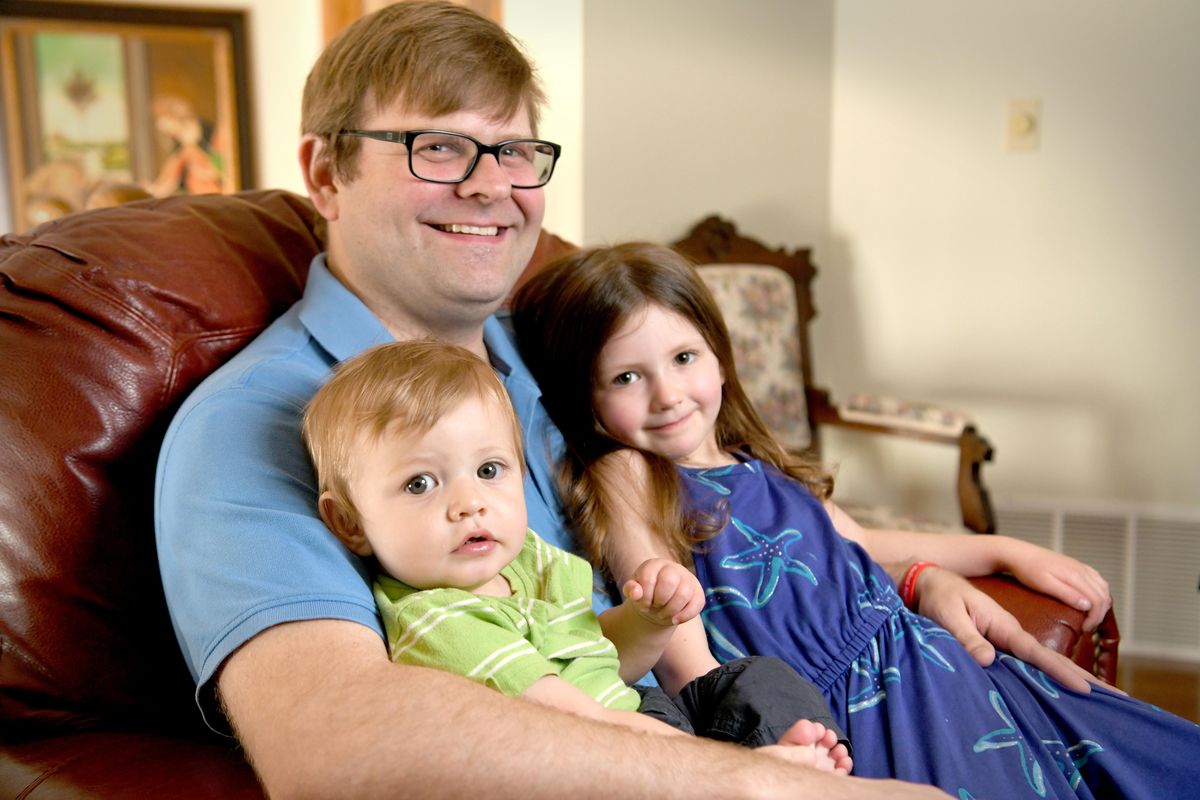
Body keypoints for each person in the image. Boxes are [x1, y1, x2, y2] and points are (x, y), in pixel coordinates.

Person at [152, 1, 1011, 796]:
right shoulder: (256, 422)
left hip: (779, 695)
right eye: (438, 147)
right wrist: (756, 784)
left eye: (517, 151)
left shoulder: (549, 352)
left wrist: (914, 570)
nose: (493, 186)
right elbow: (331, 742)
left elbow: (730, 501)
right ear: (326, 172)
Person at [509, 241, 1200, 799]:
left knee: (1141, 750)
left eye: (683, 358)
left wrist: (1001, 550)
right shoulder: (629, 474)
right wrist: (766, 748)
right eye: (626, 377)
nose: (667, 394)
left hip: (923, 655)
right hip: (857, 711)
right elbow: (693, 661)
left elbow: (862, 544)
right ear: (589, 400)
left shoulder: (757, 465)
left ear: (719, 358)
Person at [300, 339, 852, 771]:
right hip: (582, 759)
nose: (469, 504)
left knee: (753, 680)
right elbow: (573, 716)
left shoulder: (527, 562)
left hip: (634, 715)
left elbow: (602, 661)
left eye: (489, 471)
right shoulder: (436, 619)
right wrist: (730, 767)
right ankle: (775, 776)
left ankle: (792, 764)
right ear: (350, 523)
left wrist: (648, 620)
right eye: (421, 483)